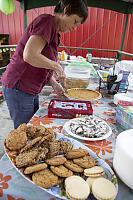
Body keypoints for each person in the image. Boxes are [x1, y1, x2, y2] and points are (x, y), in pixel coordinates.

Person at [1, 0, 88, 129]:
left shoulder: (54, 32)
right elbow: (29, 55)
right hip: (19, 87)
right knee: (24, 133)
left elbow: (40, 63)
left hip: (30, 89)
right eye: (75, 21)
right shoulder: (46, 22)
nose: (74, 28)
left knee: (33, 127)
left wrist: (53, 83)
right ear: (66, 9)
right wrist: (56, 66)